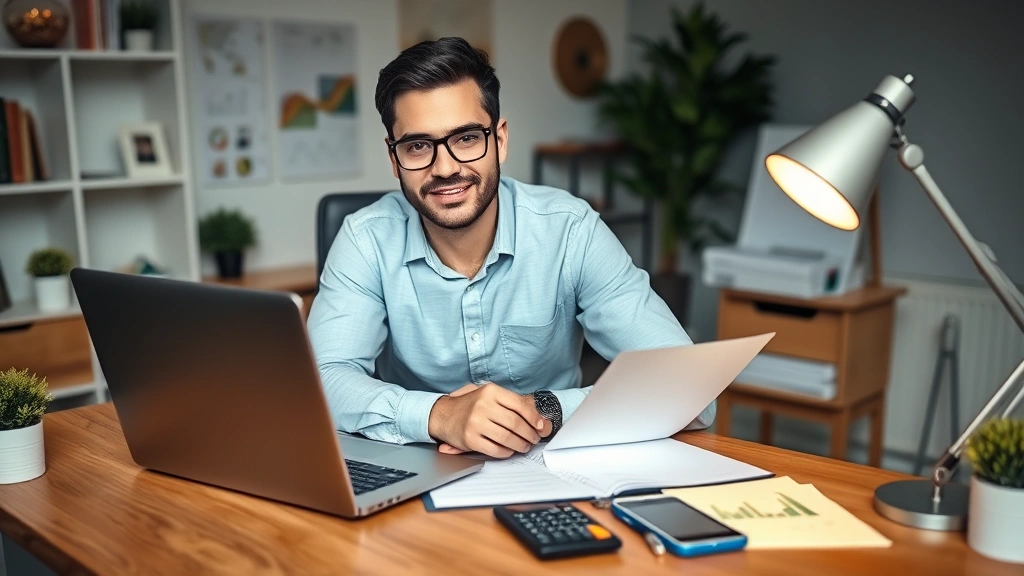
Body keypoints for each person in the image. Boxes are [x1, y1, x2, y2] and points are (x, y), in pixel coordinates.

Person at [307, 37, 713, 459]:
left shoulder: (570, 231)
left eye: (465, 138)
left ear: (499, 140)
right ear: (394, 159)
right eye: (418, 146)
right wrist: (440, 415)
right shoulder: (364, 240)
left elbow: (693, 391)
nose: (444, 168)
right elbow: (322, 382)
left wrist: (546, 409)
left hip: (556, 464)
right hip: (416, 464)